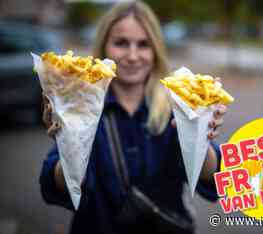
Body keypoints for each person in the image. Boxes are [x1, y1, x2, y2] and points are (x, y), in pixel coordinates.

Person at [40, 1, 227, 233]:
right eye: (121, 43)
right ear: (104, 47)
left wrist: (201, 134)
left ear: (156, 50)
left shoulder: (179, 104)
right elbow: (54, 186)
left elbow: (215, 179)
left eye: (143, 44)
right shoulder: (80, 106)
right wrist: (68, 143)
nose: (132, 55)